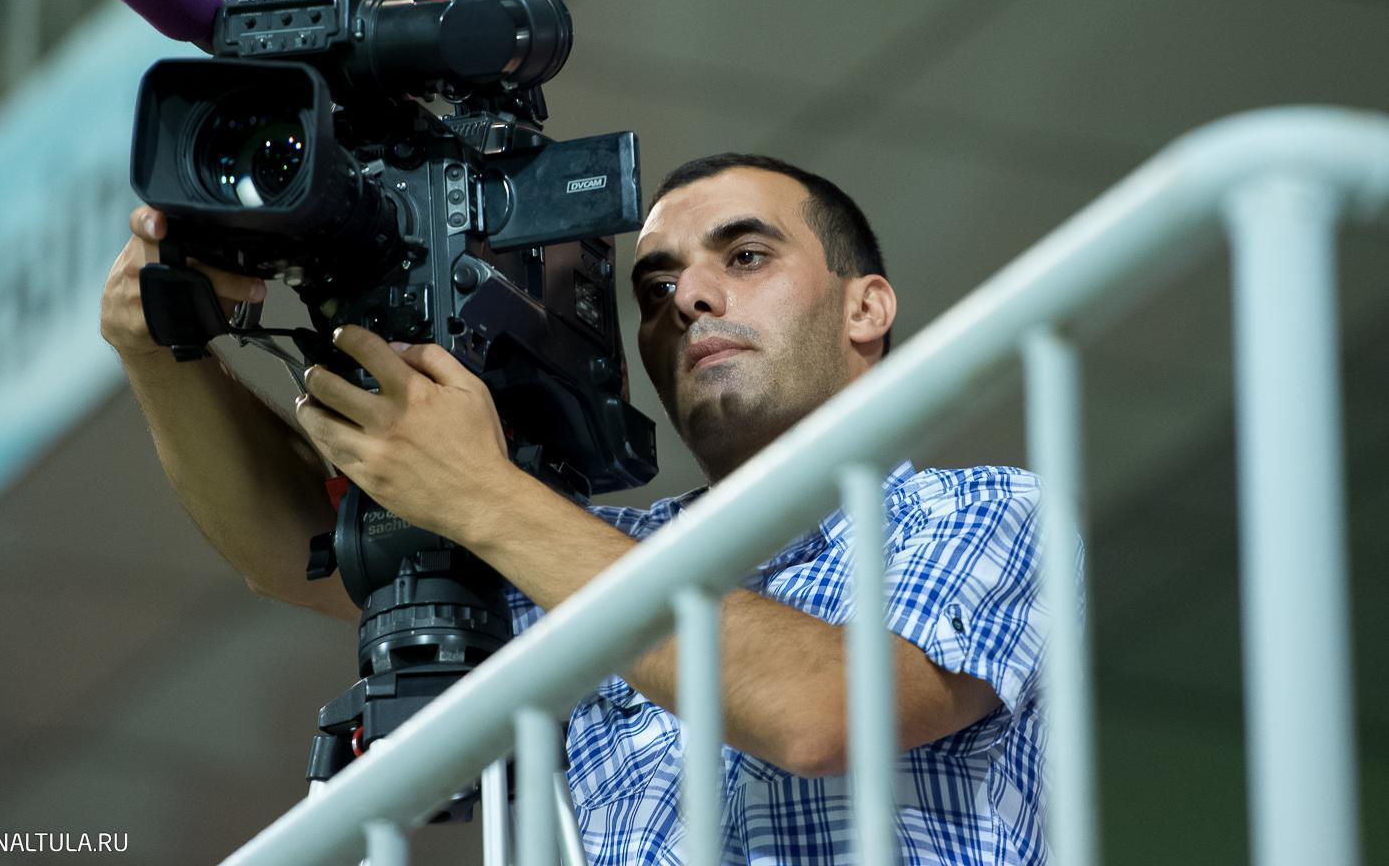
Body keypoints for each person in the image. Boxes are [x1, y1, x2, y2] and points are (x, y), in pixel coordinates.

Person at [100, 152, 1047, 865]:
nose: (690, 297)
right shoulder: (592, 548)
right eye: (656, 286)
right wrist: (162, 349)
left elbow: (823, 715)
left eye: (747, 255)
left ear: (866, 308)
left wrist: (482, 494)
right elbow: (298, 547)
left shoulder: (982, 510)